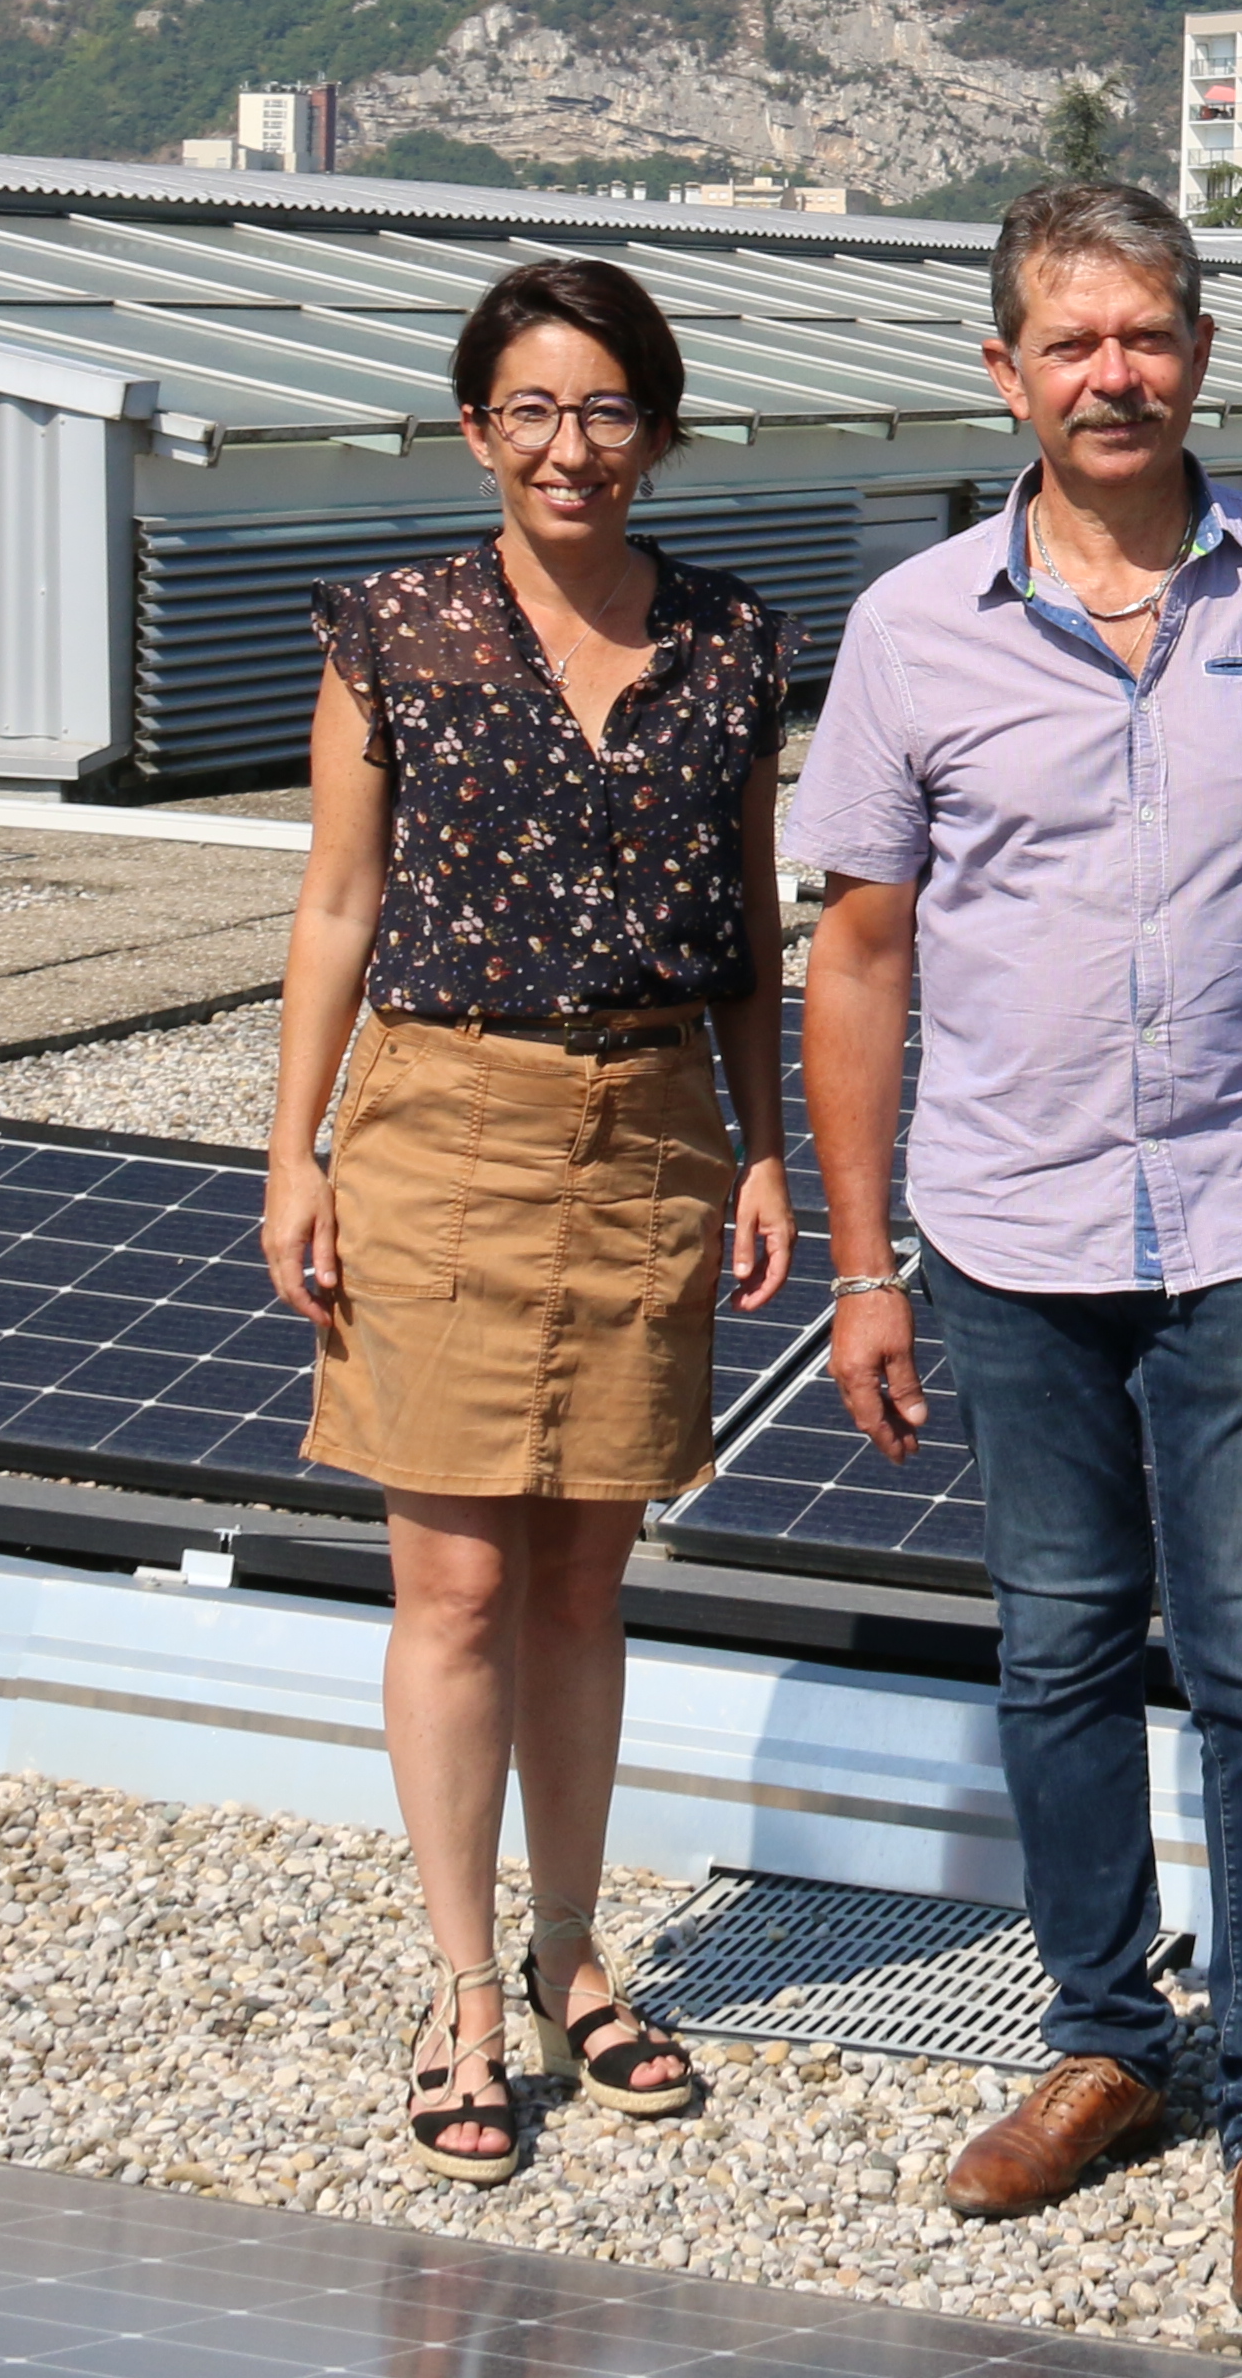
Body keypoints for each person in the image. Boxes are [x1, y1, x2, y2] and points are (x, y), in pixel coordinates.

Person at [784, 177, 1242, 2327]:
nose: (1113, 374)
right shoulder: (913, 631)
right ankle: (1105, 2042)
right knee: (1063, 1645)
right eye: (1070, 342)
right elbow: (862, 958)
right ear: (1003, 371)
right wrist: (865, 1260)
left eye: (1147, 335)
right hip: (1008, 1227)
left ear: (1199, 353)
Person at [257, 254, 797, 2185]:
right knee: (458, 1581)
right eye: (533, 412)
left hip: (653, 1118)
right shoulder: (391, 627)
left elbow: (751, 924)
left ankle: (579, 1955)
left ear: (657, 426)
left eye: (608, 410)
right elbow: (336, 901)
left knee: (589, 1573)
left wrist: (762, 1145)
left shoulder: (734, 637)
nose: (573, 449)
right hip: (440, 1116)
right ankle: (466, 1988)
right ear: (476, 427)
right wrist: (293, 1147)